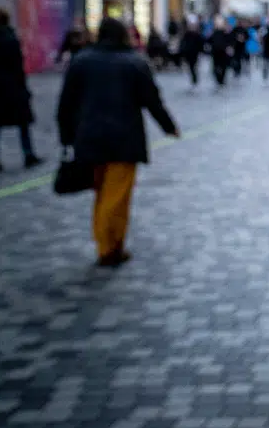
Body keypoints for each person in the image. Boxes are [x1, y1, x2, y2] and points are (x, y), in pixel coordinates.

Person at [57, 17, 179, 267]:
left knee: (103, 193)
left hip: (89, 138)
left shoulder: (81, 61)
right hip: (124, 139)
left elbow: (66, 104)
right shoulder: (134, 62)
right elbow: (152, 100)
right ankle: (109, 245)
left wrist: (67, 137)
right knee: (117, 195)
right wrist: (168, 126)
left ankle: (107, 242)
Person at [0, 9, 41, 173]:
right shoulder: (11, 40)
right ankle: (28, 154)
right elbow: (18, 67)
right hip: (12, 88)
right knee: (22, 123)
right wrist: (23, 87)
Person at [207, 16, 233, 87]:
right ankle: (218, 79)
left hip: (224, 52)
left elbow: (230, 41)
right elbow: (209, 41)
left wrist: (229, 47)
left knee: (224, 66)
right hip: (215, 52)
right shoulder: (214, 32)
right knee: (215, 67)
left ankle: (222, 80)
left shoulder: (226, 32)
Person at [178, 16, 205, 88]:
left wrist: (201, 51)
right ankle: (194, 78)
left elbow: (201, 43)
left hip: (195, 53)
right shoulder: (186, 34)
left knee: (193, 66)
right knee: (191, 66)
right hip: (188, 53)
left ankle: (194, 78)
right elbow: (183, 43)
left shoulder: (197, 35)